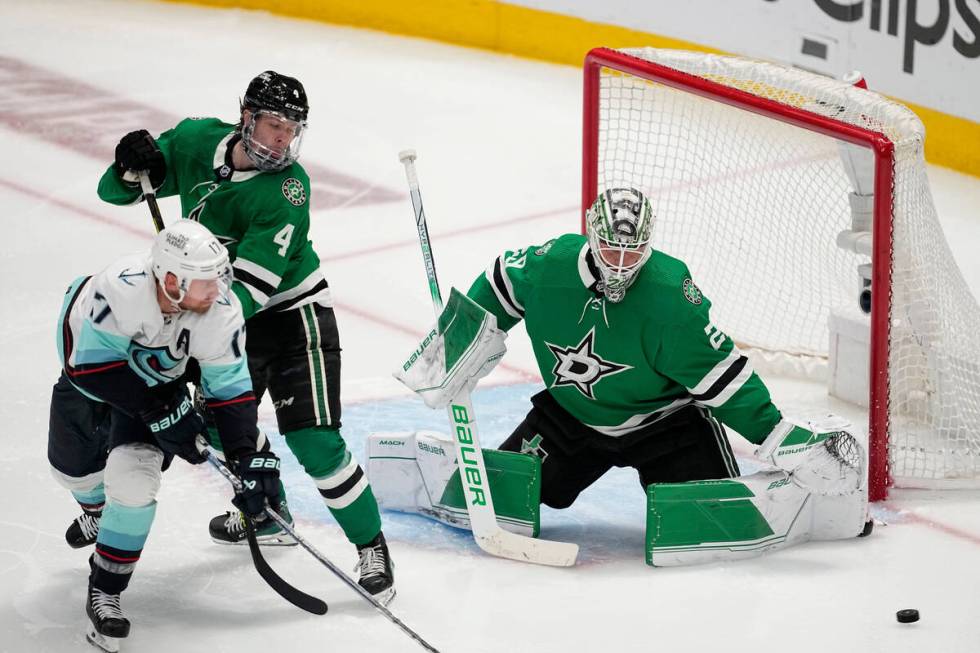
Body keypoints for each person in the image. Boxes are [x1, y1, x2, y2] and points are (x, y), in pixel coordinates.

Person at [384, 187, 869, 565]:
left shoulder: (669, 299)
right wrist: (453, 347)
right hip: (570, 420)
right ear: (592, 236)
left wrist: (777, 434)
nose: (620, 265)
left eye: (633, 254)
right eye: (610, 251)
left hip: (665, 426)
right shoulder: (548, 269)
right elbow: (499, 283)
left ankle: (815, 505)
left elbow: (722, 378)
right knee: (502, 498)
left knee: (718, 520)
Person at [93, 70, 393, 601]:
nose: (282, 140)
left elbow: (248, 295)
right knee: (227, 425)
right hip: (216, 309)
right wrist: (127, 165)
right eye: (274, 125)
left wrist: (180, 326)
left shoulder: (288, 190)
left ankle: (371, 546)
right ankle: (272, 514)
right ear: (246, 118)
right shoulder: (193, 141)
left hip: (291, 316)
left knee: (314, 439)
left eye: (291, 130)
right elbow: (114, 191)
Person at [49, 221, 281, 651]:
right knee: (72, 472)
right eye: (207, 282)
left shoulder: (220, 310)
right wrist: (158, 410)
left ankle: (106, 590)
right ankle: (98, 511)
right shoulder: (120, 288)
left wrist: (244, 455)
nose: (219, 291)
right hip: (92, 384)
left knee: (134, 485)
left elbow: (230, 391)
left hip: (156, 385)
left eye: (220, 277)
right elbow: (91, 368)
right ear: (171, 281)